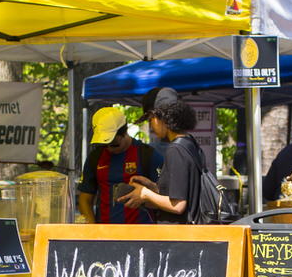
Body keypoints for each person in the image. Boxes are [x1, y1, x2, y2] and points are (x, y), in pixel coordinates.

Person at [123, 88, 204, 222]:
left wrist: (145, 194)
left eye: (150, 120)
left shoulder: (175, 149)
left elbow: (178, 205)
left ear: (161, 116)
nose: (151, 126)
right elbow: (181, 191)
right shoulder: (189, 143)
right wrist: (153, 187)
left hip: (177, 236)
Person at [77, 104, 155, 224]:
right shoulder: (95, 157)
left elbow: (165, 196)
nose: (109, 148)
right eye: (104, 144)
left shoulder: (147, 154)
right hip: (104, 235)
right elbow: (85, 199)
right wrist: (91, 230)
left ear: (124, 132)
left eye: (114, 144)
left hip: (142, 236)